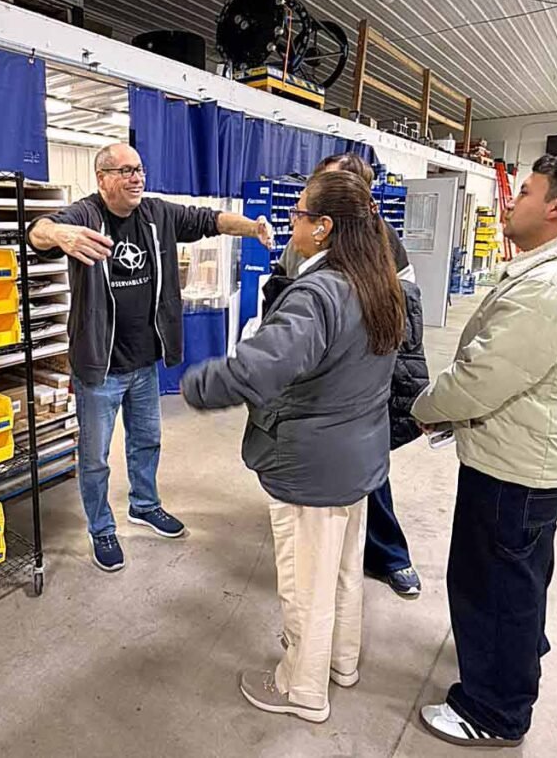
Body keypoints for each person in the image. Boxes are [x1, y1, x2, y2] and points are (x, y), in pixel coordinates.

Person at [181, 170, 406, 723]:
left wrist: (202, 384)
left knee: (306, 582)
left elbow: (263, 365)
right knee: (342, 571)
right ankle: (340, 663)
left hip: (312, 464)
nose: (291, 222)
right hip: (357, 457)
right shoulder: (377, 281)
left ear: (324, 227)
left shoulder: (319, 292)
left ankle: (301, 689)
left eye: (299, 213)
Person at [412, 154, 557, 748]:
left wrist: (425, 407)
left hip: (516, 467)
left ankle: (495, 710)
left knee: (494, 584)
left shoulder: (554, 286)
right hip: (530, 452)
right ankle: (514, 654)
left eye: (525, 191)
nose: (511, 200)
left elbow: (484, 377)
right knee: (520, 573)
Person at [27, 143, 272, 572]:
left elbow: (210, 220)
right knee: (95, 458)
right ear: (102, 179)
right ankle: (101, 528)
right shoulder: (85, 215)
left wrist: (252, 227)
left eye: (139, 168)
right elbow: (37, 230)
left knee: (147, 441)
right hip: (99, 366)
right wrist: (61, 235)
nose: (137, 177)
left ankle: (144, 504)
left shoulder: (157, 214)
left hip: (143, 364)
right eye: (125, 170)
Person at [275, 153, 425, 599]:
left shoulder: (382, 239)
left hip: (363, 373)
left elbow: (403, 314)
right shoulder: (302, 238)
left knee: (367, 471)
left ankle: (390, 555)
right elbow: (284, 288)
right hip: (314, 377)